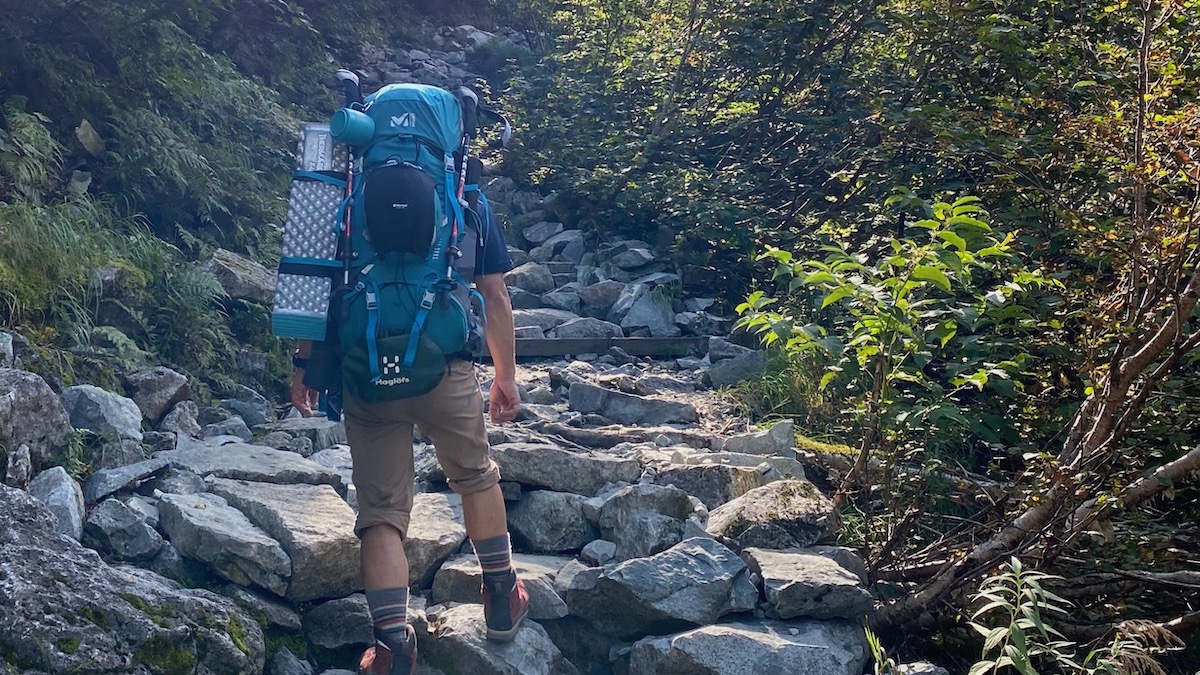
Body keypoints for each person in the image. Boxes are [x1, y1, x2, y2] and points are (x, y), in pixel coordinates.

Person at [289, 206, 528, 675]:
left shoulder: (345, 191)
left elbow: (312, 287)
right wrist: (506, 376)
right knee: (476, 476)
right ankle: (502, 598)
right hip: (446, 368)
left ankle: (391, 650)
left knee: (380, 512)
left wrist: (305, 366)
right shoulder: (462, 191)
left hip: (368, 368)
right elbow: (494, 295)